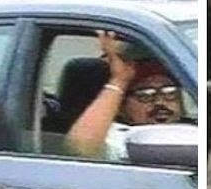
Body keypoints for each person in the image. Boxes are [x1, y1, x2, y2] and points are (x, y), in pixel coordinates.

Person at [65, 31, 185, 161]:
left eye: (169, 92)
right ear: (121, 108)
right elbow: (80, 149)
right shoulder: (118, 137)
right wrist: (119, 80)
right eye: (145, 95)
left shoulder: (193, 130)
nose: (160, 102)